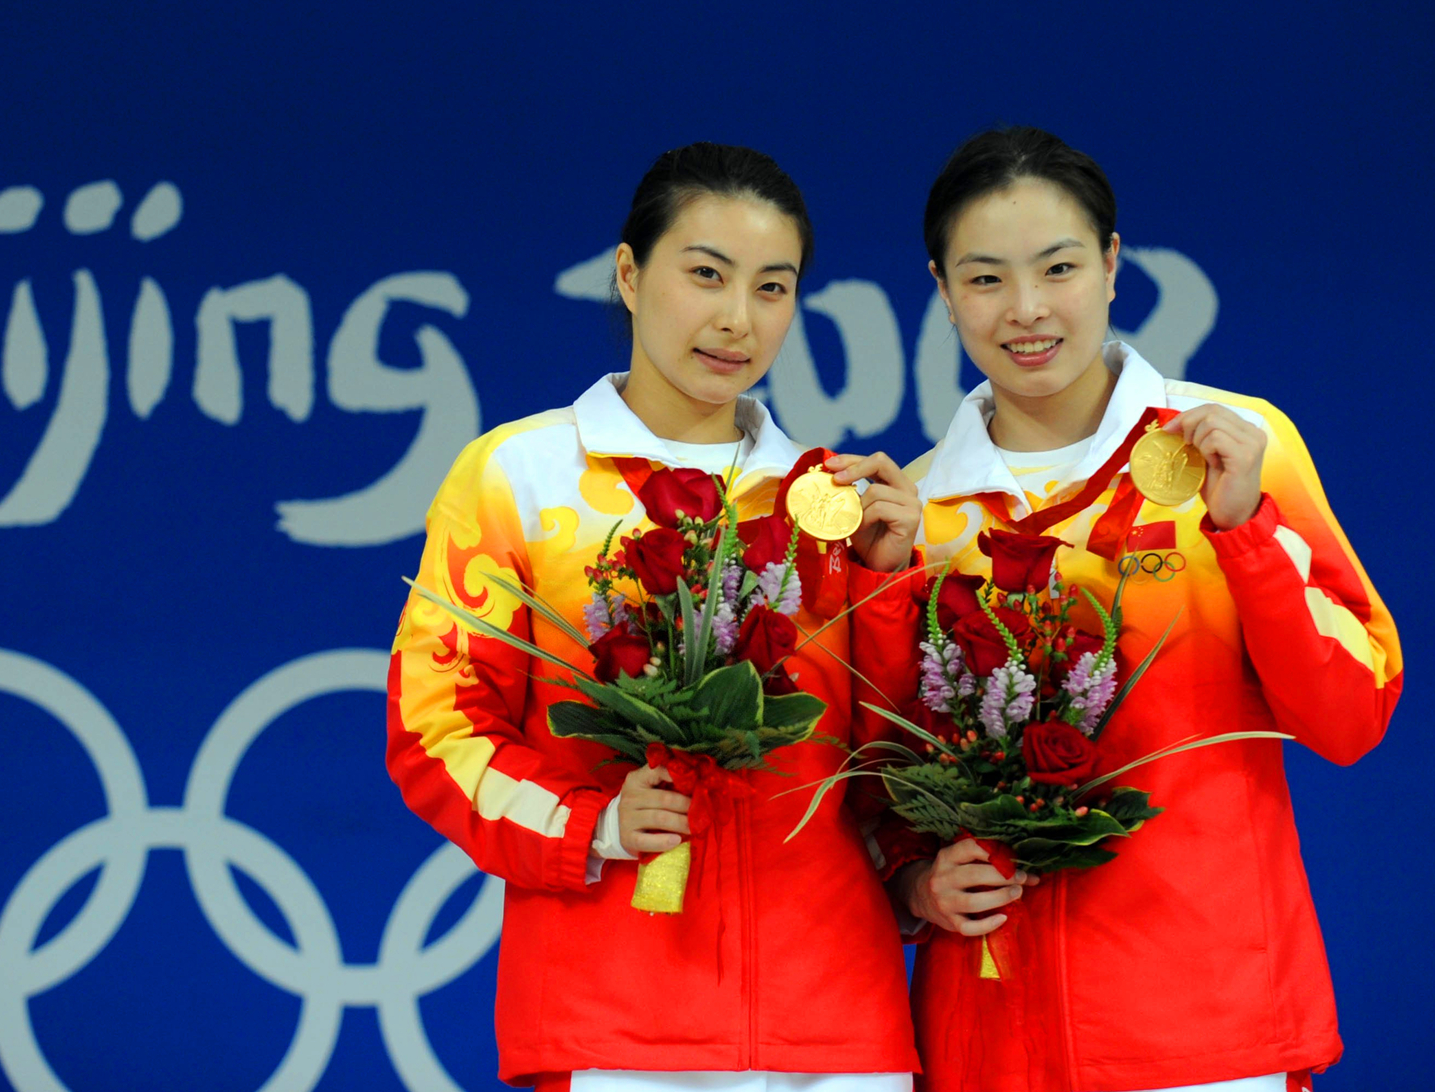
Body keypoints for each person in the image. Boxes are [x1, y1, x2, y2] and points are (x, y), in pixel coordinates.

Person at [387, 143, 926, 1091]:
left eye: (772, 287)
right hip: (615, 1028)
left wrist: (891, 581)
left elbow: (886, 759)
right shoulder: (518, 477)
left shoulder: (830, 504)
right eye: (706, 274)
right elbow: (437, 730)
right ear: (630, 275)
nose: (735, 319)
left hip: (838, 1027)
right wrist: (592, 824)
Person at [886, 126, 1403, 1092]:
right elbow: (881, 775)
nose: (1029, 310)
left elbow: (1350, 715)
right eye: (987, 278)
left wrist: (1243, 529)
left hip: (1209, 1028)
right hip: (988, 1035)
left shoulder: (1236, 452)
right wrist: (917, 882)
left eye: (1060, 267)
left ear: (1115, 266)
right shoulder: (918, 515)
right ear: (942, 289)